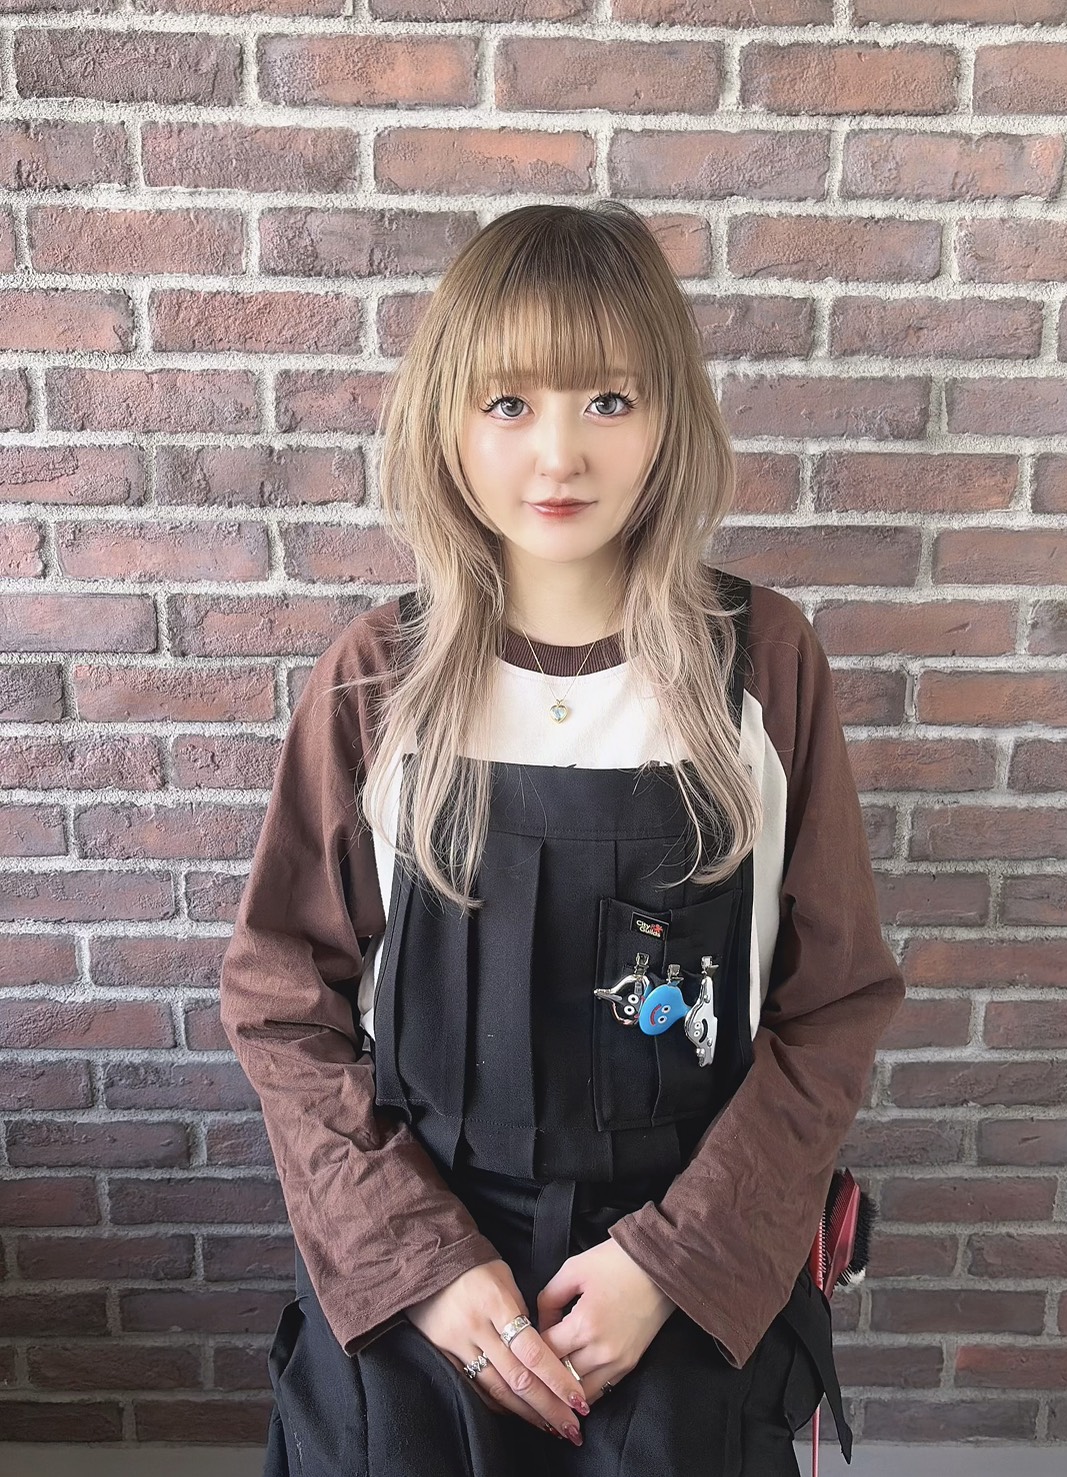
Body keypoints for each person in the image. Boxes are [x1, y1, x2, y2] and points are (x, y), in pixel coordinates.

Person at [218, 200, 907, 1476]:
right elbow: (279, 998)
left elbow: (833, 1004)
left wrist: (671, 1262)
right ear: (448, 421)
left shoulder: (764, 666)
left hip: (687, 1247)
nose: (558, 454)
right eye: (508, 402)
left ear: (668, 417)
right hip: (426, 1247)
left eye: (607, 400)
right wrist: (421, 1262)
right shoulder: (377, 679)